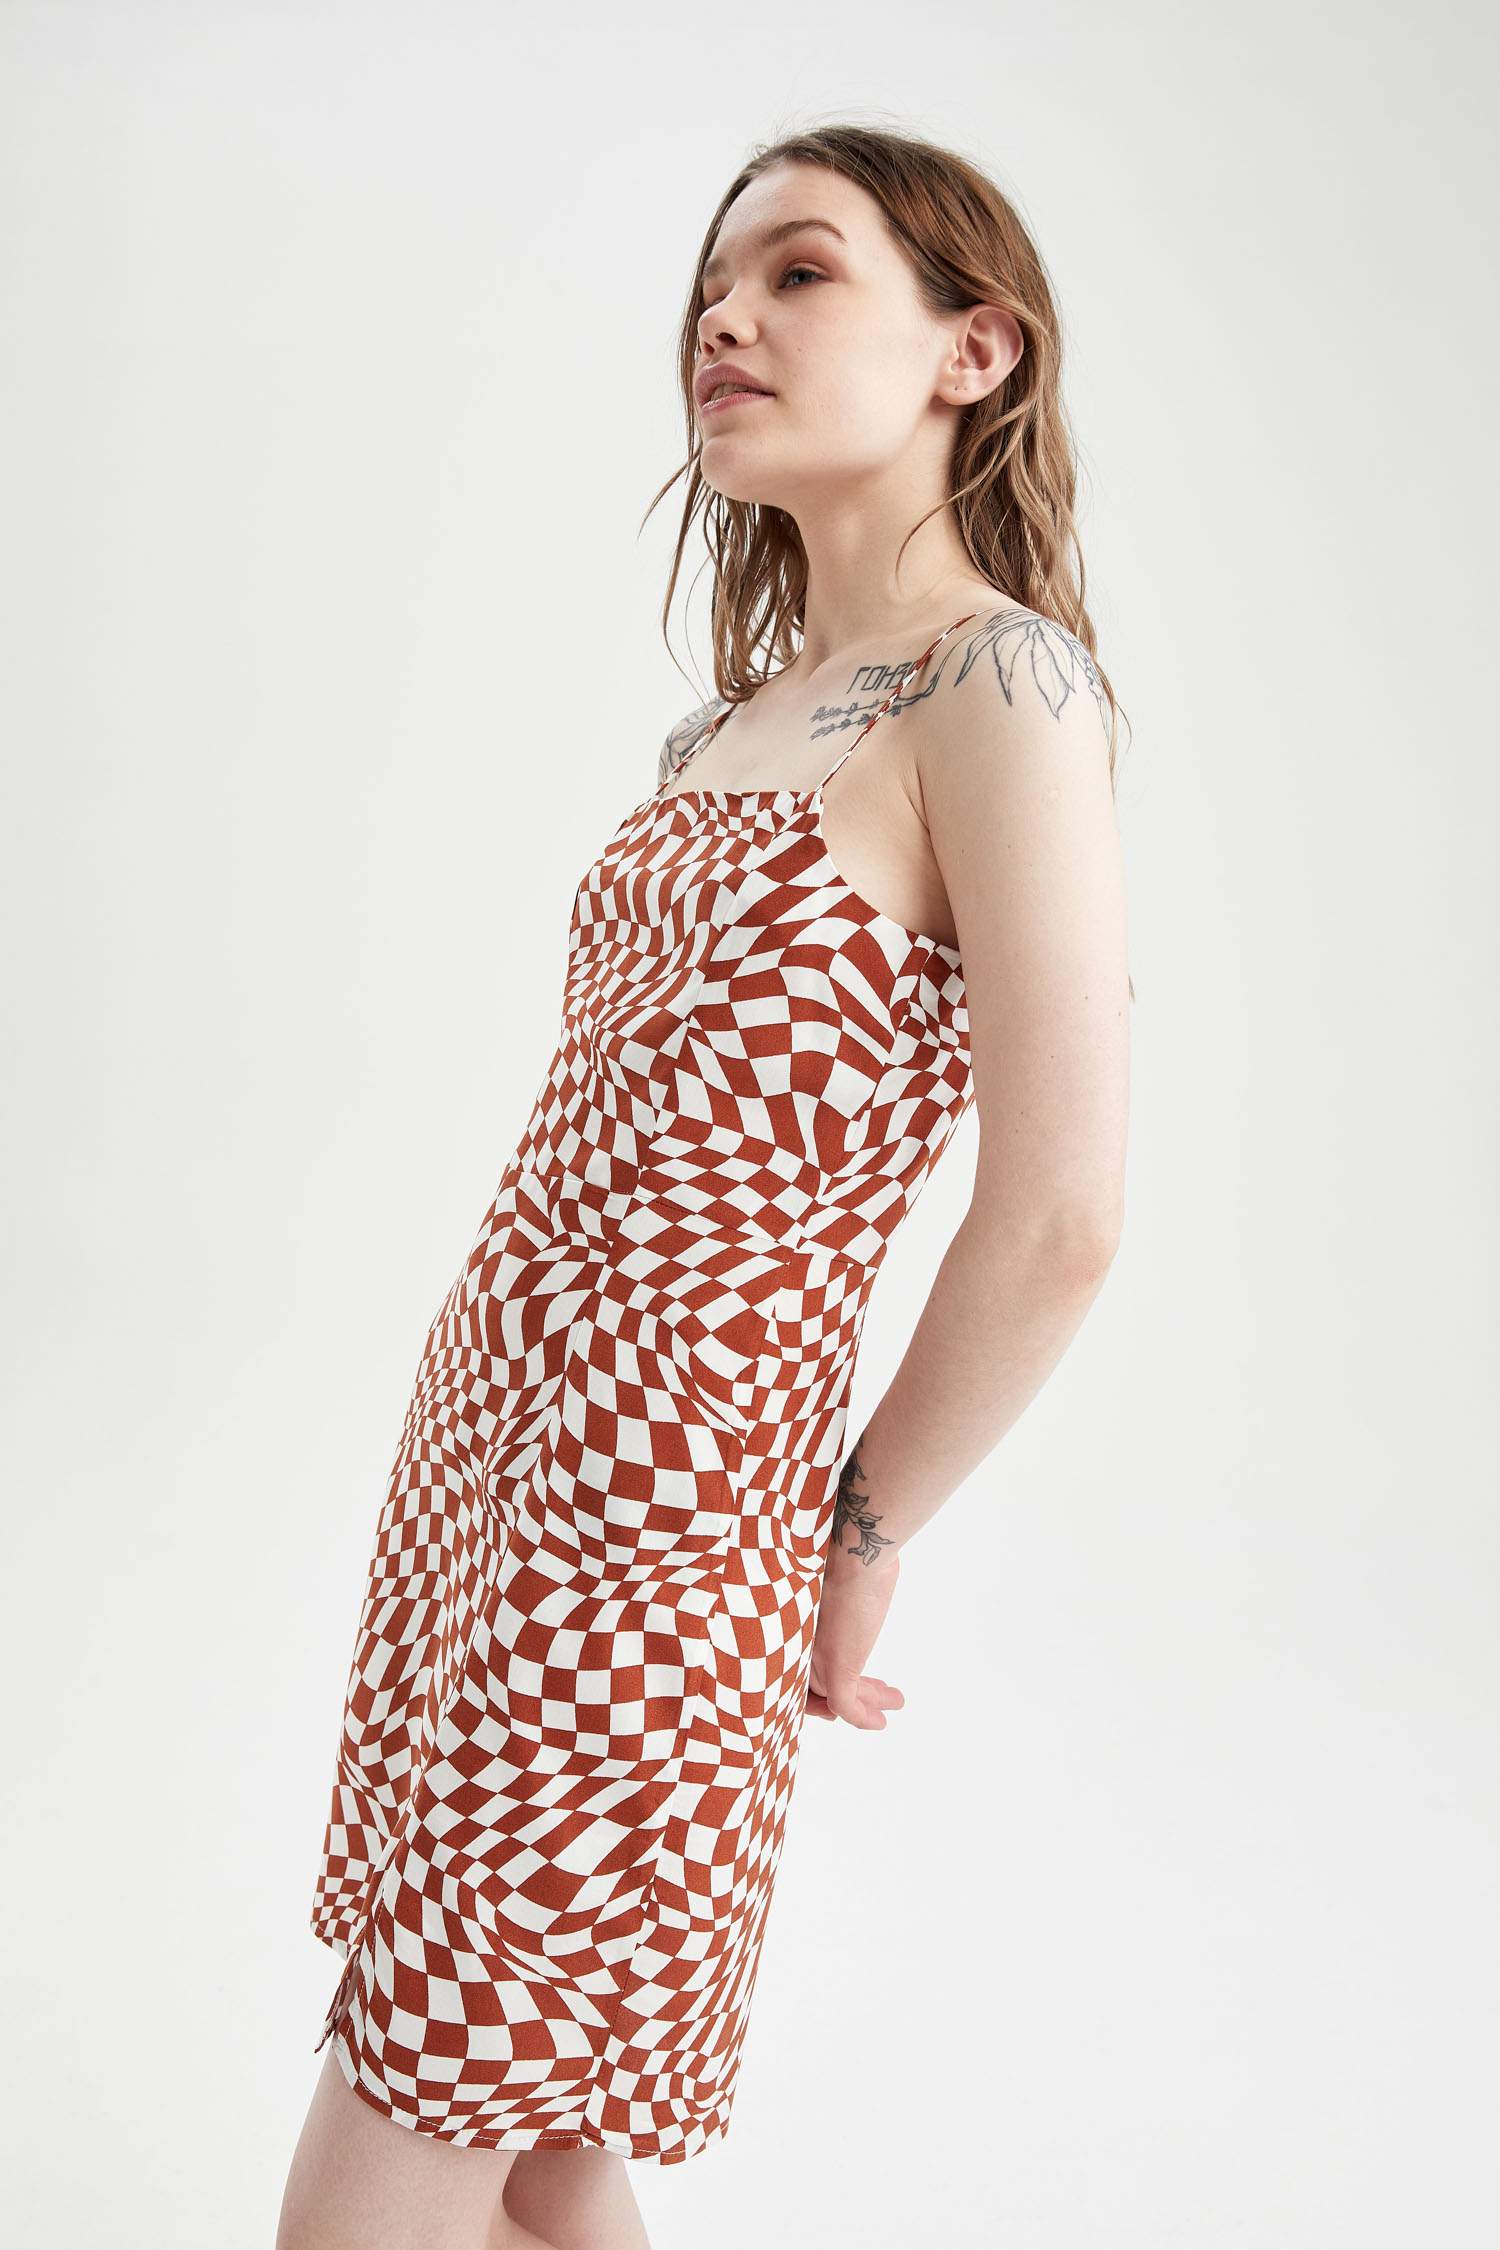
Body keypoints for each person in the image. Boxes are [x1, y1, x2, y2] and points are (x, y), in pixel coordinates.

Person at [277, 121, 1131, 2250]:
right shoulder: (725, 731)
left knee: (394, 2158)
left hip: (652, 1532)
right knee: (541, 2151)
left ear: (975, 351)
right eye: (710, 286)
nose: (724, 319)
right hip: (489, 1473)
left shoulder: (999, 682)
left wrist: (858, 1528)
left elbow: (1060, 1213)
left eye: (802, 272)